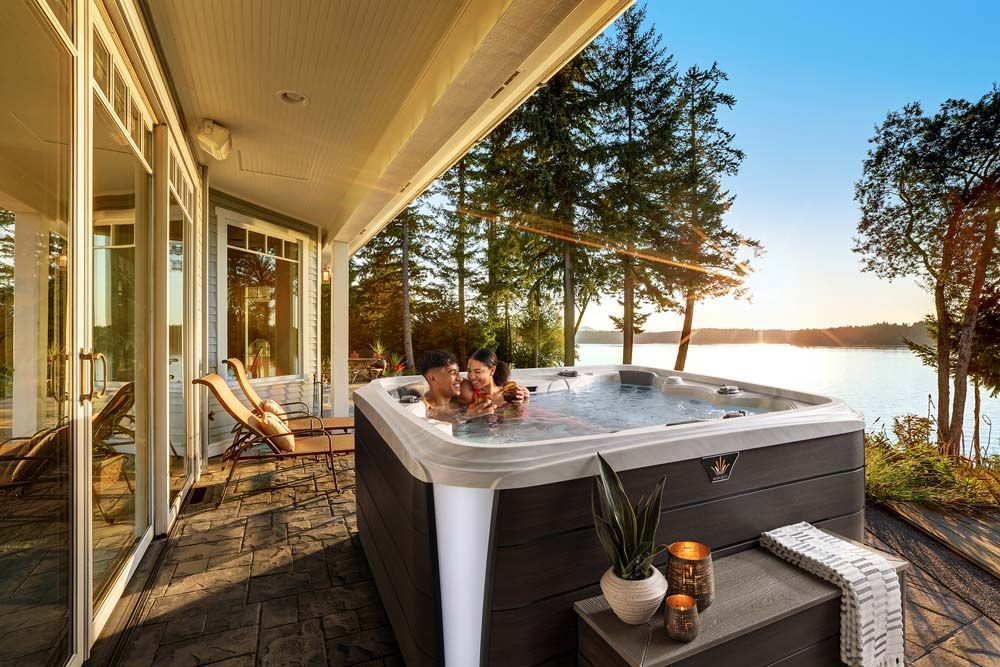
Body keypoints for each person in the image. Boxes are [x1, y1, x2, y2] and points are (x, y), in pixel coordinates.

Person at [418, 349, 493, 421]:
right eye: (453, 373)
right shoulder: (424, 410)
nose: (460, 379)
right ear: (433, 378)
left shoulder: (461, 400)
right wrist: (467, 418)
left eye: (458, 372)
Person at [459, 349, 530, 409]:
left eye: (477, 372)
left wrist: (522, 403)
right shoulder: (467, 390)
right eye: (469, 371)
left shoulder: (508, 392)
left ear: (492, 370)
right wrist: (493, 401)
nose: (471, 376)